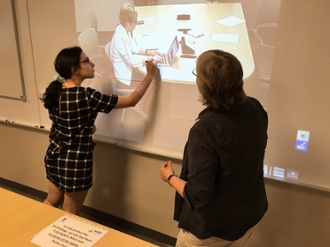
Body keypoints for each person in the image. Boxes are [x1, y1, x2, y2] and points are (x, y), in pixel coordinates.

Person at [159, 50, 268, 247]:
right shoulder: (254, 107)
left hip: (212, 230)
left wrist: (170, 177)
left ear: (205, 86)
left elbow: (197, 195)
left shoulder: (205, 129)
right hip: (248, 216)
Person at [42, 46, 157, 215]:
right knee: (70, 214)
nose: (93, 64)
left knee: (51, 202)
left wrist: (85, 127)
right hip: (75, 163)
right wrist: (150, 75)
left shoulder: (56, 90)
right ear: (74, 69)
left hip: (54, 156)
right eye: (87, 61)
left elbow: (63, 124)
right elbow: (132, 101)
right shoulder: (86, 96)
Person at [110, 2, 162, 86]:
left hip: (129, 70)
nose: (137, 23)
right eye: (135, 21)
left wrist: (147, 51)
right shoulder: (120, 38)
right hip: (125, 79)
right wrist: (151, 59)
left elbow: (133, 47)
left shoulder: (125, 29)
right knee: (154, 79)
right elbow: (132, 62)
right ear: (127, 23)